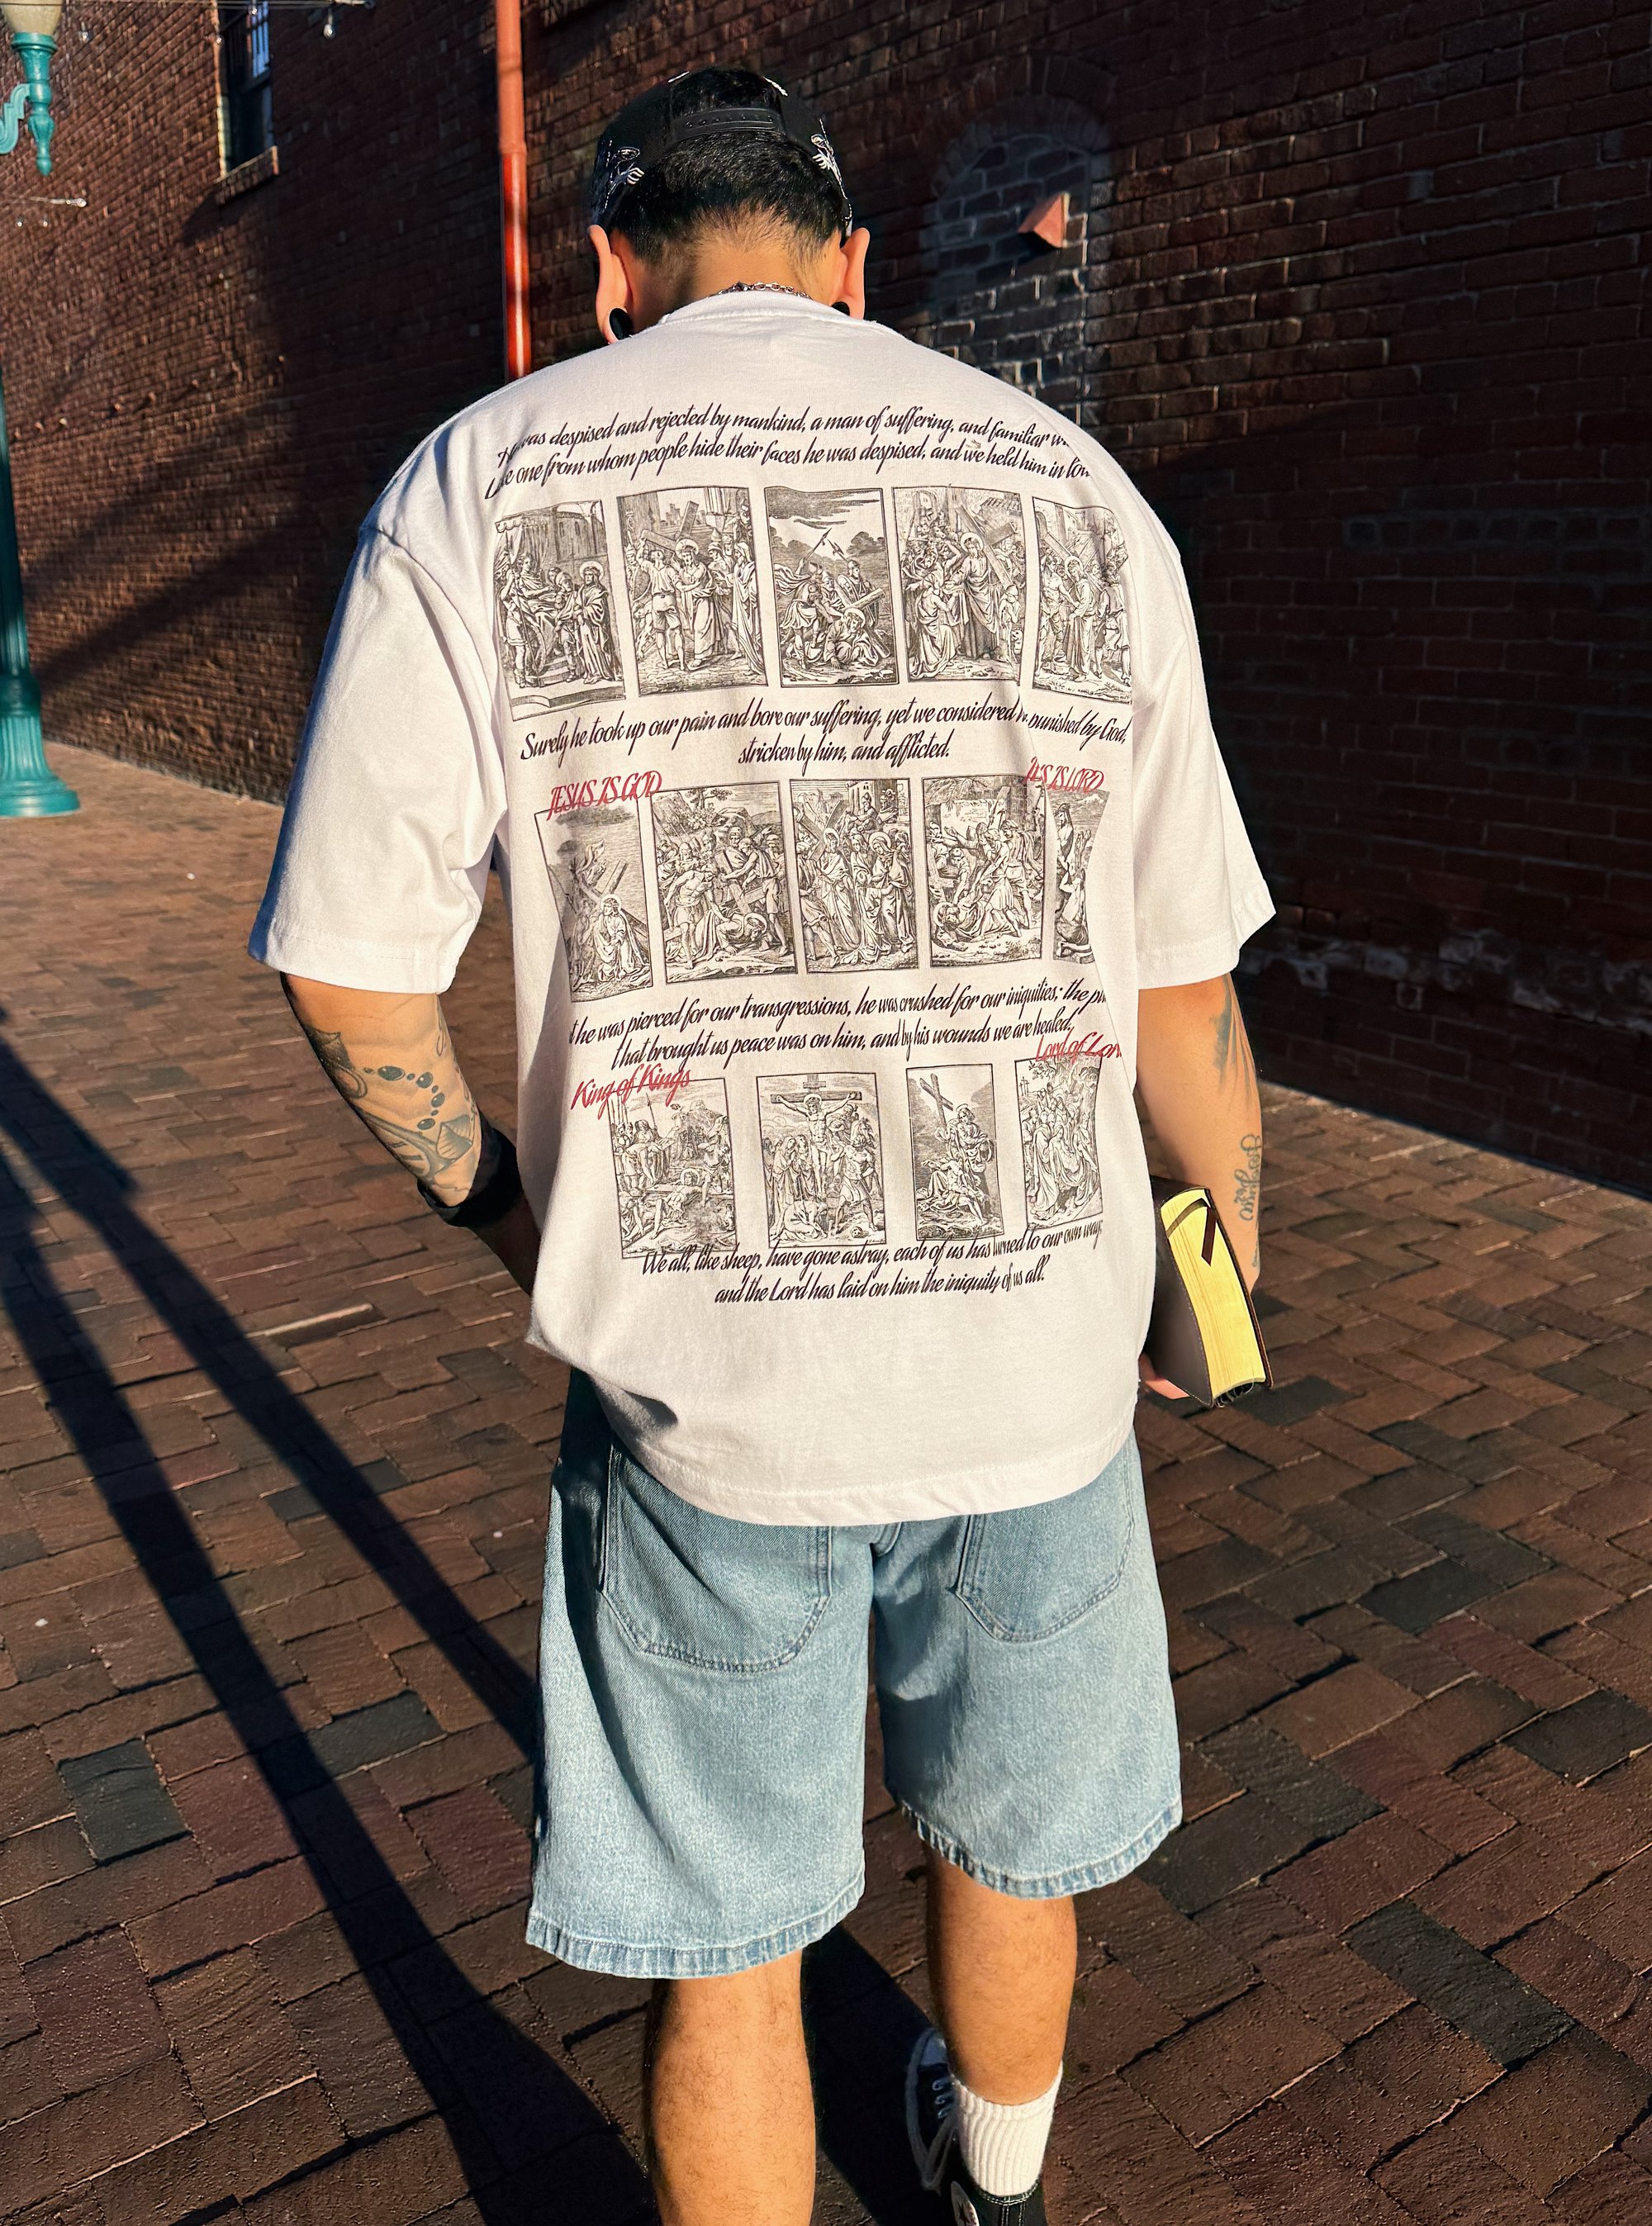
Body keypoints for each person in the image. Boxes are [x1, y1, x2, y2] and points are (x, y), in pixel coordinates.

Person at [249, 63, 1272, 2226]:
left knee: (727, 1947)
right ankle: (996, 2193)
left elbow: (349, 978)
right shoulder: (1075, 492)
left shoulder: (480, 484)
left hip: (699, 1381)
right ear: (855, 267)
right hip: (1039, 1349)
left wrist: (512, 1212)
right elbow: (1183, 1000)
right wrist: (1218, 1283)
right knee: (1015, 1844)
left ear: (609, 272)